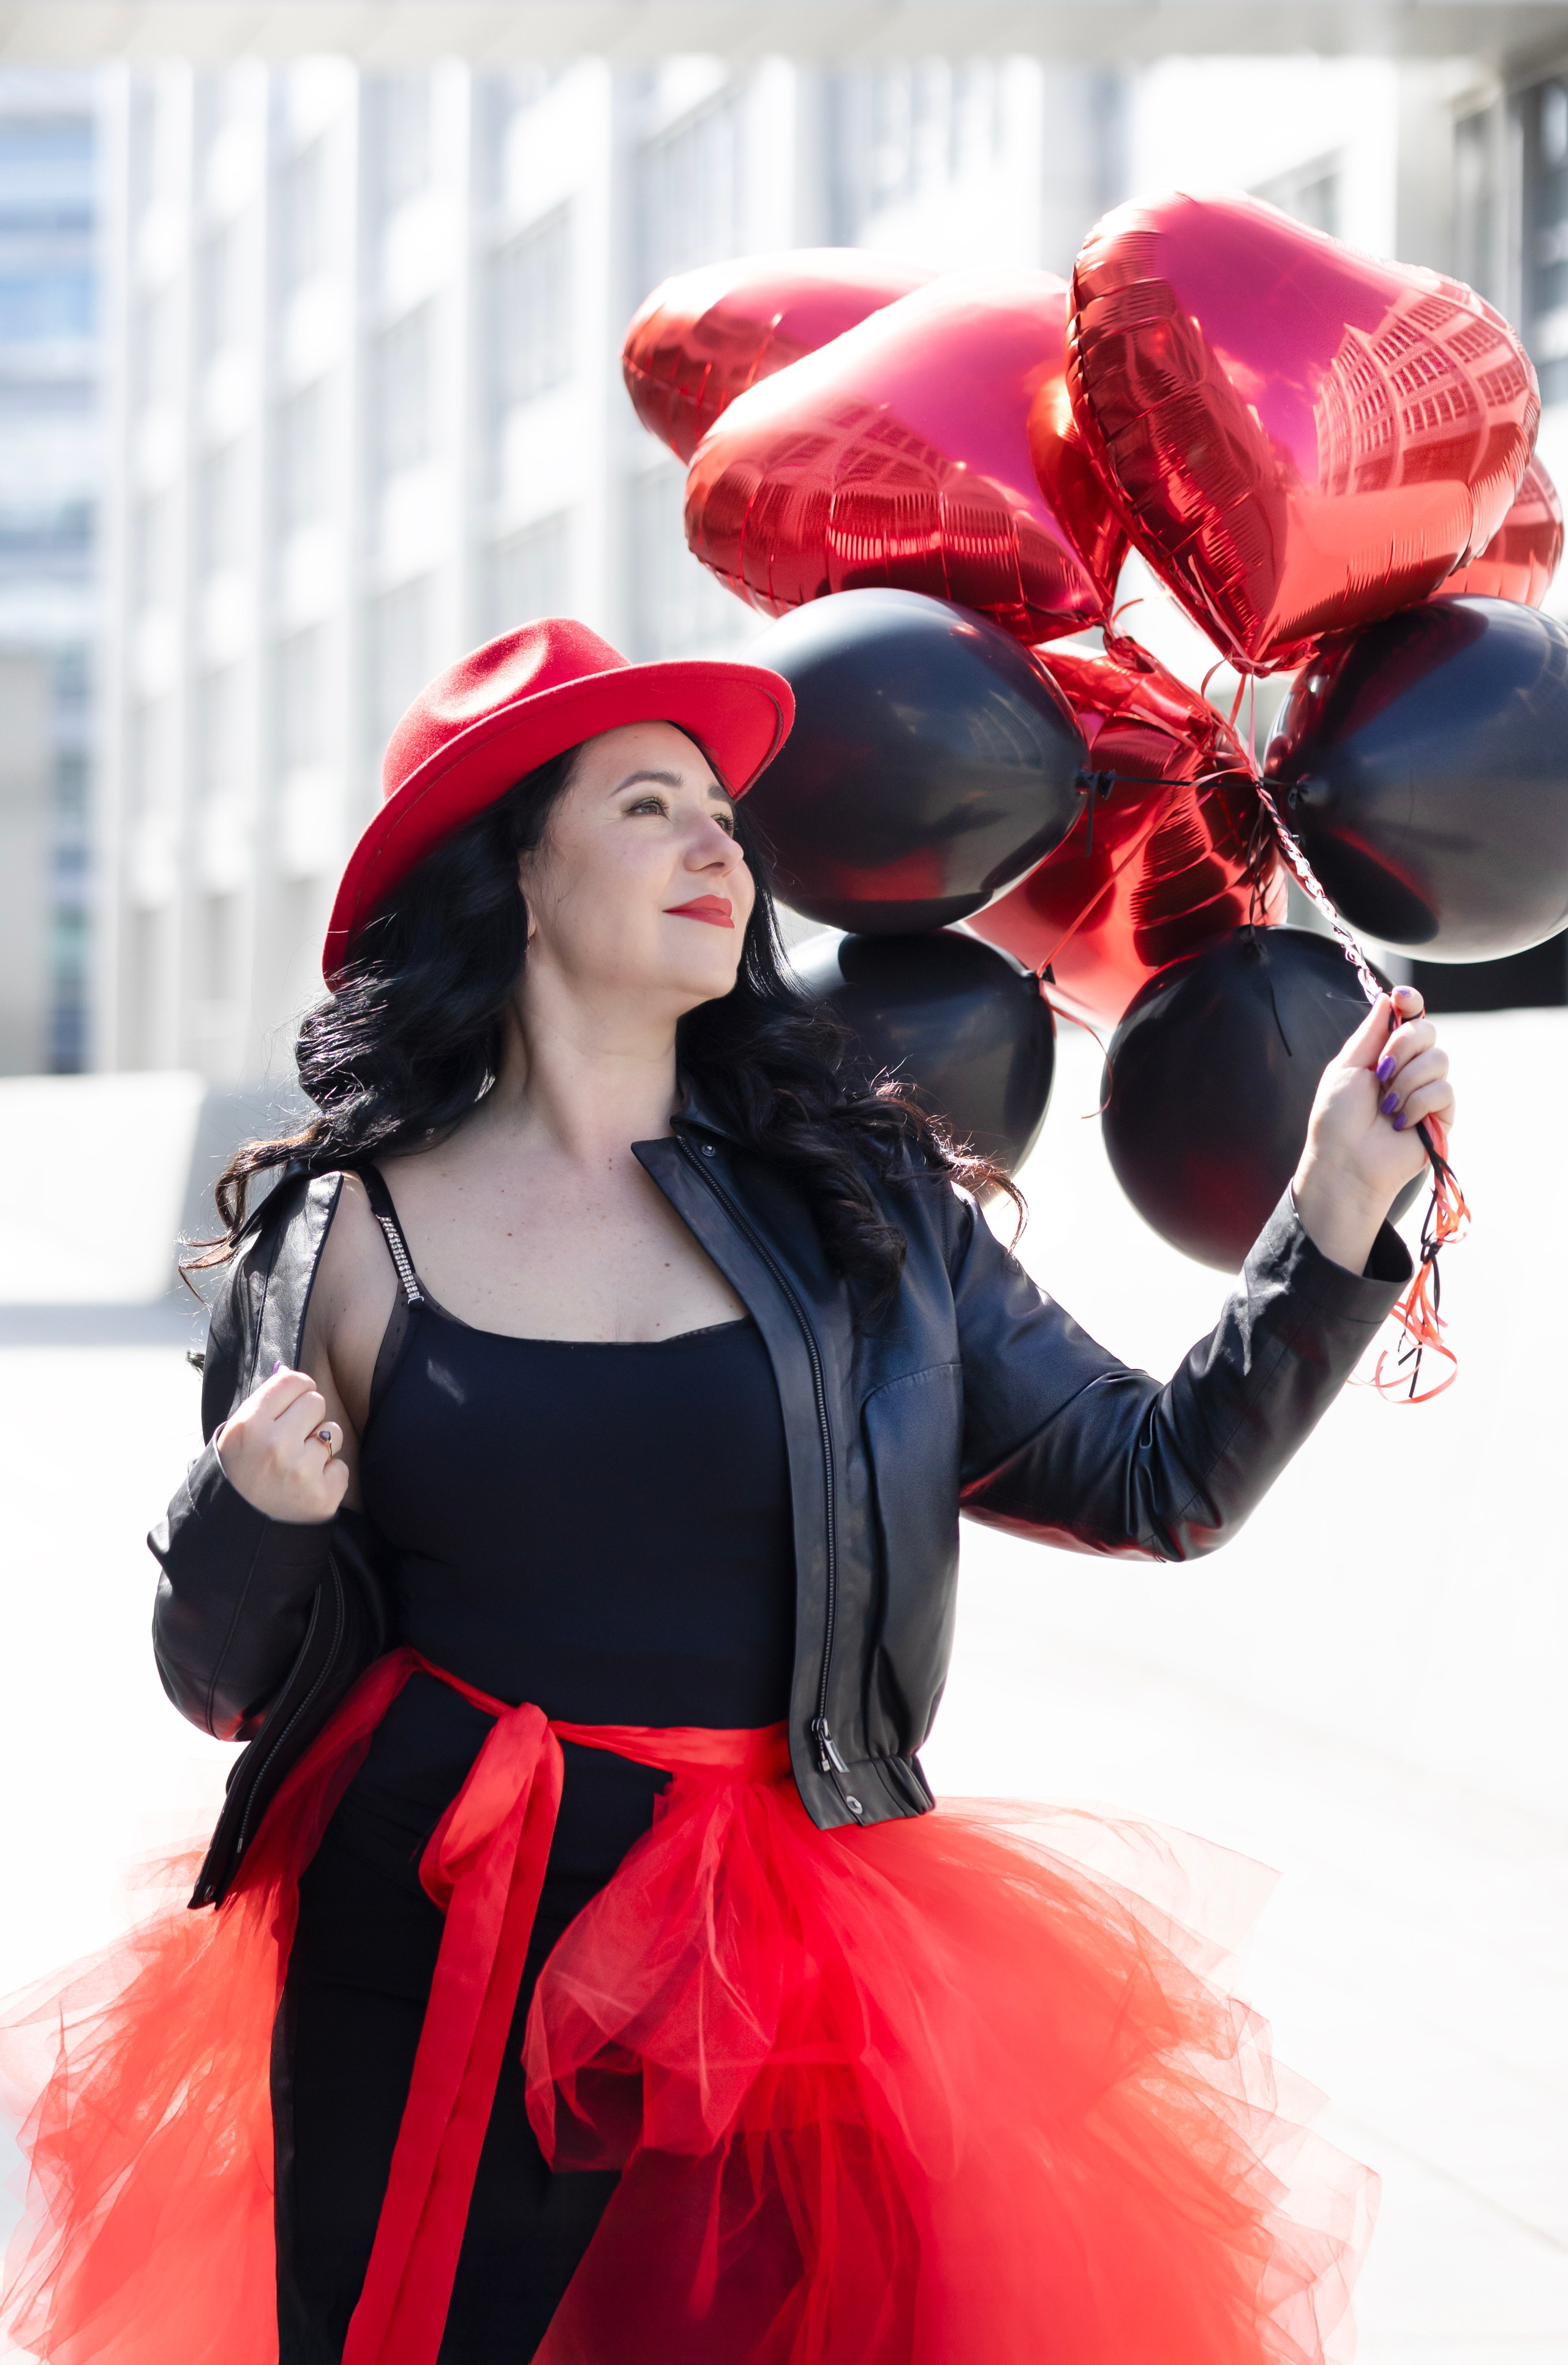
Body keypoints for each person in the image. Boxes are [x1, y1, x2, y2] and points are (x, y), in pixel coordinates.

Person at [2, 619, 1455, 2365]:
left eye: (722, 813)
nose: (721, 848)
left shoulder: (859, 1198)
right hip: (420, 1921)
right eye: (648, 806)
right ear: (519, 877)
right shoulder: (342, 1232)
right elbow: (229, 1686)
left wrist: (1333, 1217)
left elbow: (1160, 1480)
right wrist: (244, 1511)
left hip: (787, 1965)